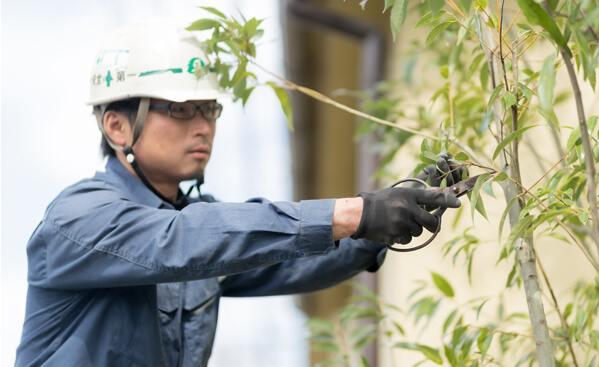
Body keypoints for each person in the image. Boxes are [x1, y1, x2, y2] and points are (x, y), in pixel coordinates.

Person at [15, 18, 464, 367]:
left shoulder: (199, 225)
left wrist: (385, 220)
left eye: (209, 110)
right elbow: (180, 239)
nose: (203, 126)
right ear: (117, 125)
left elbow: (291, 260)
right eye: (181, 109)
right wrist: (356, 212)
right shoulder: (76, 220)